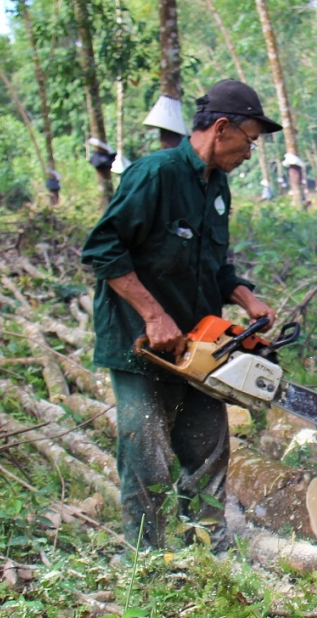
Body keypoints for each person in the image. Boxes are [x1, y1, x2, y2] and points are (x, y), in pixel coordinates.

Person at [81, 79, 280, 549]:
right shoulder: (156, 174)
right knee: (147, 456)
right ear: (222, 128)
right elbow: (102, 250)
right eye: (249, 140)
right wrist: (153, 315)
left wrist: (244, 297)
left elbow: (212, 264)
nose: (251, 152)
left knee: (209, 448)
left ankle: (210, 555)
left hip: (199, 346)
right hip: (140, 344)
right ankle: (146, 564)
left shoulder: (218, 187)